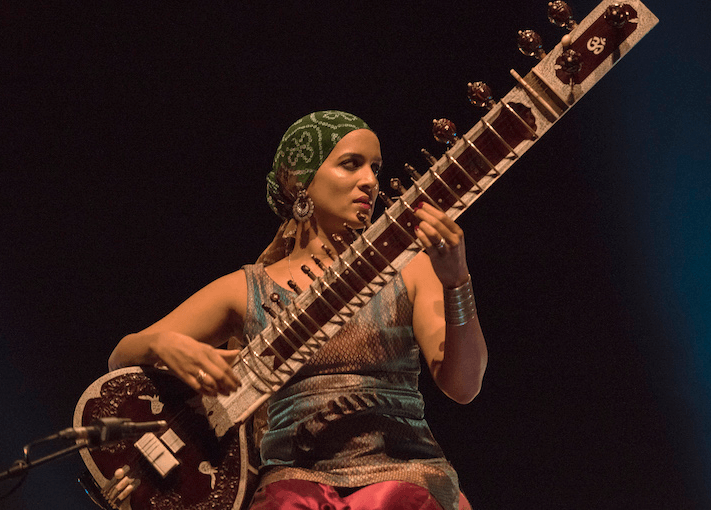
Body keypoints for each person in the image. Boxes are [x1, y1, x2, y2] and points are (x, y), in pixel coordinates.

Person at [107, 111, 487, 510]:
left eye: (375, 168)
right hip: (294, 490)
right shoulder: (247, 288)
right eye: (351, 164)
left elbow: (463, 386)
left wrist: (457, 281)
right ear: (303, 182)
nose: (370, 181)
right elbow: (121, 355)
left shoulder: (411, 267)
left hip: (405, 478)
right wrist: (163, 345)